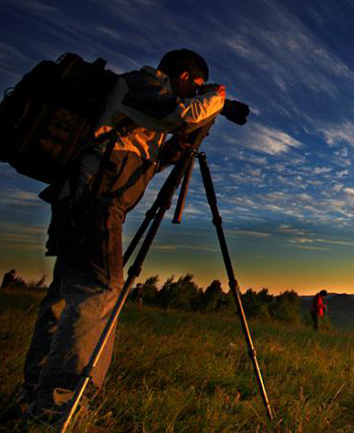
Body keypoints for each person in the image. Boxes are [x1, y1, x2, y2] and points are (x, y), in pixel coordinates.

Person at [17, 49, 225, 422]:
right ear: (183, 76)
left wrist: (182, 144)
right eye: (196, 85)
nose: (196, 91)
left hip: (82, 201)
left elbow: (148, 162)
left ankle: (36, 393)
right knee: (98, 294)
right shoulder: (140, 84)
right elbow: (177, 115)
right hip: (95, 203)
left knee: (64, 297)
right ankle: (60, 404)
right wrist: (216, 97)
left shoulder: (141, 108)